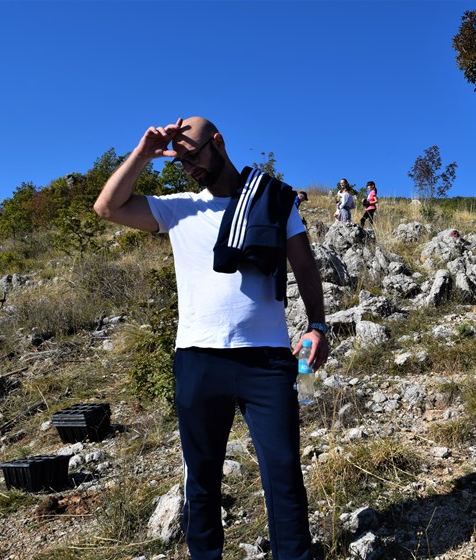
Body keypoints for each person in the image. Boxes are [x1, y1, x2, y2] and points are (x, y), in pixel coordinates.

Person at [94, 116, 330, 560]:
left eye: (196, 155)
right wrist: (144, 152)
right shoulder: (178, 207)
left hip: (268, 361)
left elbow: (305, 263)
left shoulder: (274, 200)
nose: (191, 167)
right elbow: (107, 207)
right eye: (181, 161)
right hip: (199, 360)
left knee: (283, 474)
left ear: (218, 142)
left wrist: (317, 325)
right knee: (201, 477)